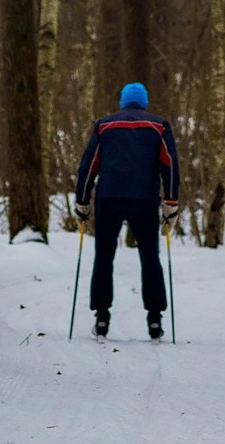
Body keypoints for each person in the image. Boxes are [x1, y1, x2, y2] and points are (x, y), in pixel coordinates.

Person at [73, 82, 179, 339]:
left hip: (109, 197)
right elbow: (170, 164)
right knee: (150, 258)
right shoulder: (159, 126)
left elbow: (89, 164)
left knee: (104, 257)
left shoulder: (104, 125)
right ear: (144, 102)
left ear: (122, 101)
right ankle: (154, 319)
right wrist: (171, 203)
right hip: (144, 199)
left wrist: (82, 200)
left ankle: (101, 317)